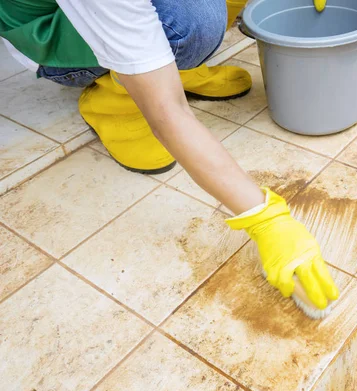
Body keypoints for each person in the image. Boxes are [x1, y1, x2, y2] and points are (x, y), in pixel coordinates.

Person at [0, 0, 339, 313]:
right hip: (49, 35)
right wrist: (266, 220)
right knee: (193, 23)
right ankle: (122, 98)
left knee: (192, 17)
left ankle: (170, 65)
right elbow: (168, 112)